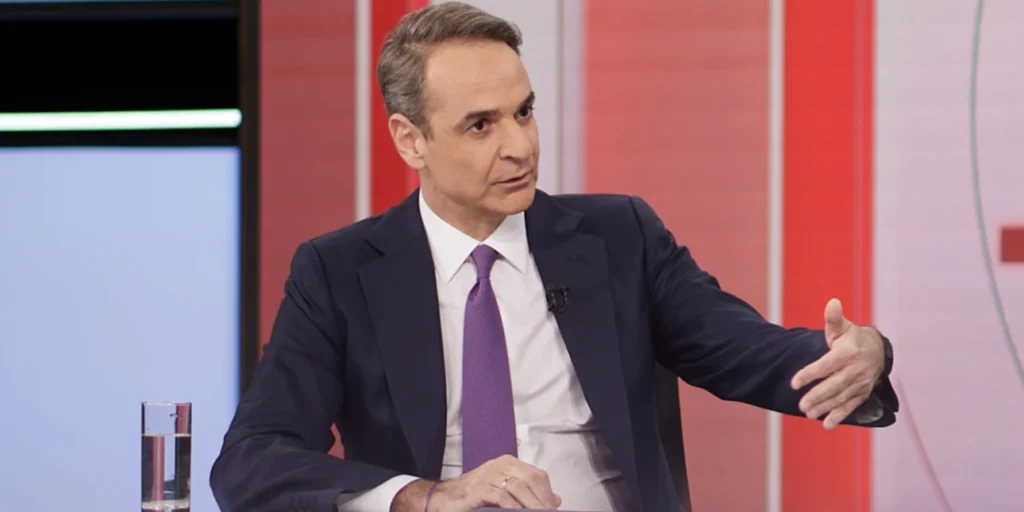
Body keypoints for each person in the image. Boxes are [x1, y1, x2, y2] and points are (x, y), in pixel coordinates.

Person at [210, 3, 898, 511]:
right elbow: (251, 460)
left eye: (524, 111)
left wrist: (857, 354)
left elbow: (742, 348)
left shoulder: (619, 237)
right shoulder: (340, 273)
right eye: (481, 125)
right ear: (410, 140)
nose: (519, 146)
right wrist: (422, 497)